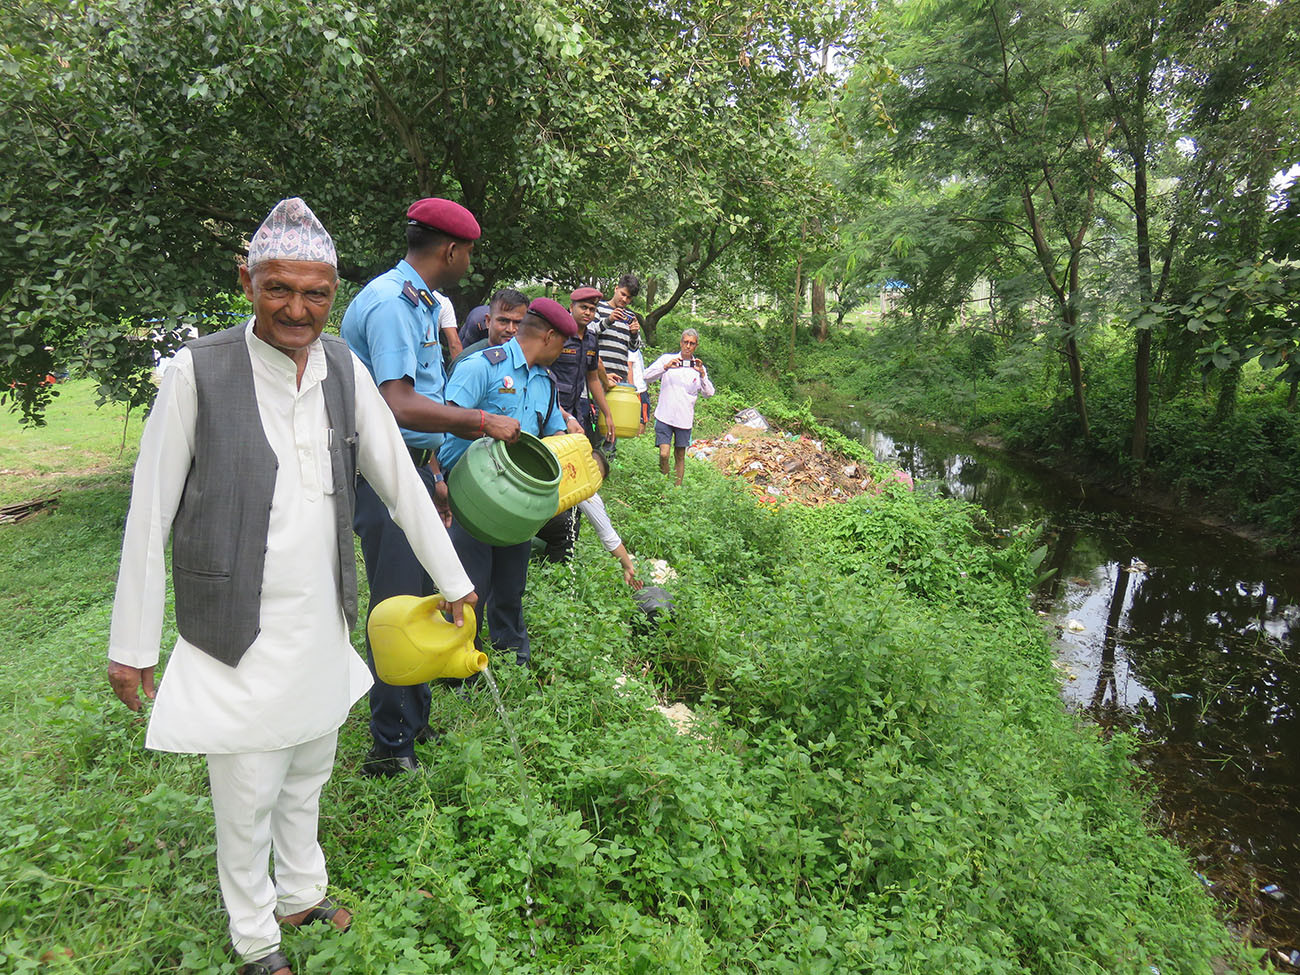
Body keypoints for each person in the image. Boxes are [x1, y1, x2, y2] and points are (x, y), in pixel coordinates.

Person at [106, 198, 477, 975]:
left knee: (309, 764)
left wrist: (453, 579)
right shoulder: (195, 372)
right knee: (247, 792)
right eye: (278, 289)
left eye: (315, 293)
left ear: (334, 292)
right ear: (247, 282)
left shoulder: (345, 365)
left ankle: (301, 891)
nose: (297, 309)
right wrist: (133, 642)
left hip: (320, 617)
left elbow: (397, 477)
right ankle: (254, 938)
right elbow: (148, 513)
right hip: (233, 628)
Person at [340, 198, 520, 777]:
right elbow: (397, 402)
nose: (468, 261)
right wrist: (480, 422)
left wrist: (436, 475)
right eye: (468, 252)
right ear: (451, 250)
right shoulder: (391, 305)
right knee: (397, 600)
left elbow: (420, 410)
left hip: (411, 469)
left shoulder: (420, 303)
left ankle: (412, 720)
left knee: (425, 593)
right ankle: (389, 748)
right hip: (379, 475)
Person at [440, 298, 581, 665]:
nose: (564, 353)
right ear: (549, 337)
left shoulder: (545, 382)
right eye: (563, 345)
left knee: (510, 586)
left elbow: (551, 438)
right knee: (470, 585)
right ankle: (458, 665)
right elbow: (444, 422)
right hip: (472, 497)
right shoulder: (482, 368)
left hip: (518, 503)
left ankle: (512, 660)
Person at [535, 449, 643, 588]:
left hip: (517, 507)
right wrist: (628, 566)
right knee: (569, 525)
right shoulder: (580, 481)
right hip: (528, 515)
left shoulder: (559, 458)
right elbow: (608, 536)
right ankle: (554, 580)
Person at [644, 327, 715, 486]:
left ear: (696, 346)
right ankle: (664, 484)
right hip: (664, 415)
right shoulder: (666, 360)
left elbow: (709, 393)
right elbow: (646, 376)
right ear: (681, 342)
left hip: (684, 419)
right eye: (686, 342)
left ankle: (676, 489)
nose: (688, 346)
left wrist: (702, 374)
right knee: (664, 453)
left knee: (680, 455)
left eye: (692, 343)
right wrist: (666, 367)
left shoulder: (697, 368)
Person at [556, 286, 615, 445]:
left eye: (592, 309)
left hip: (577, 408)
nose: (588, 313)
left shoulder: (591, 340)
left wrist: (607, 414)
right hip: (554, 408)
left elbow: (593, 378)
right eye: (583, 307)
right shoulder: (558, 335)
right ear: (571, 307)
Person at [591, 273, 643, 384]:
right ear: (616, 289)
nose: (624, 299)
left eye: (629, 298)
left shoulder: (630, 316)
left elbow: (634, 348)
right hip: (600, 373)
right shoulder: (598, 308)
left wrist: (634, 333)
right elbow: (590, 332)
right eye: (623, 294)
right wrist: (609, 320)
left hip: (621, 375)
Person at [454, 288, 528, 362]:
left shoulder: (532, 356)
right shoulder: (467, 361)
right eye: (503, 321)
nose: (511, 329)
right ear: (488, 321)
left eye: (518, 322)